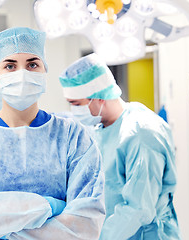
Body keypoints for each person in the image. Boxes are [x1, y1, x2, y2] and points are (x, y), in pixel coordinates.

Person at [0, 27, 105, 240]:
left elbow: (85, 224)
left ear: (44, 74)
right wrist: (49, 207)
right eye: (10, 66)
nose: (22, 74)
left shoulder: (73, 136)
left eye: (32, 64)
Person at [58, 53, 180, 239]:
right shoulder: (101, 128)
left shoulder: (141, 133)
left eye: (76, 104)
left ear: (98, 97)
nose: (73, 111)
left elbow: (139, 208)